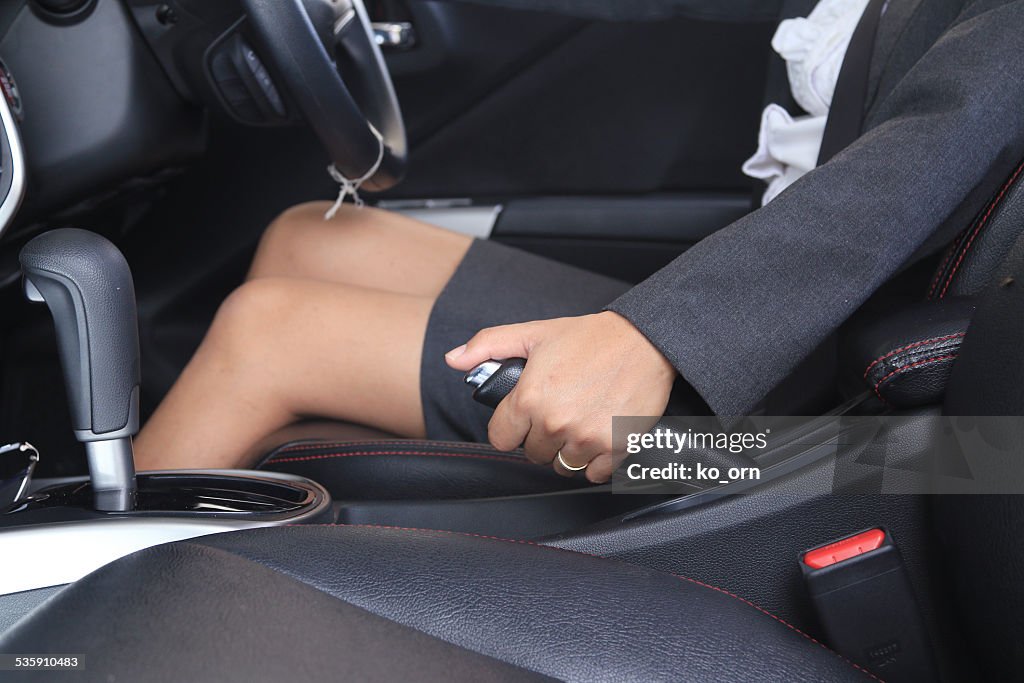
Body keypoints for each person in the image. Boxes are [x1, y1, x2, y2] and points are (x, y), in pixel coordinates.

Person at [133, 0, 1024, 481]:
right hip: (796, 341)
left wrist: (655, 336)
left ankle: (68, 624)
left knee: (268, 331)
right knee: (313, 237)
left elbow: (918, 164)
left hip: (825, 437)